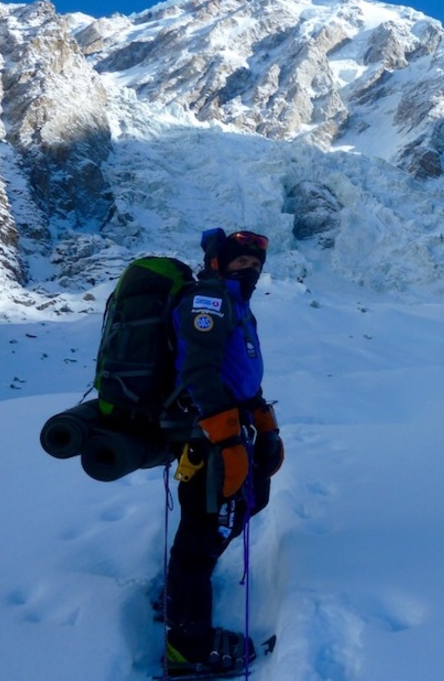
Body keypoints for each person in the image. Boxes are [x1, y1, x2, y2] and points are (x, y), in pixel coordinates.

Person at [163, 228, 285, 674]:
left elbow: (238, 372)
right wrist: (228, 438)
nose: (249, 269)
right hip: (208, 439)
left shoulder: (236, 304)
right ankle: (186, 646)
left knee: (245, 505)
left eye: (255, 264)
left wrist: (264, 423)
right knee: (202, 530)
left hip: (231, 431)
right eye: (240, 262)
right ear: (219, 262)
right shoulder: (209, 301)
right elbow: (199, 371)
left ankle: (183, 592)